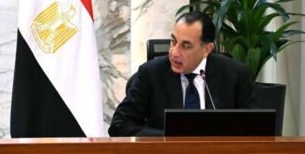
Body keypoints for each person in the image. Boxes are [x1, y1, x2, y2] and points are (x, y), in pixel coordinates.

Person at [108, 11, 253, 136]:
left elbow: (252, 129)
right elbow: (119, 125)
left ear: (207, 49)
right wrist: (170, 138)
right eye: (173, 41)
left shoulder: (235, 74)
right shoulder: (151, 74)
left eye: (186, 45)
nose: (174, 52)